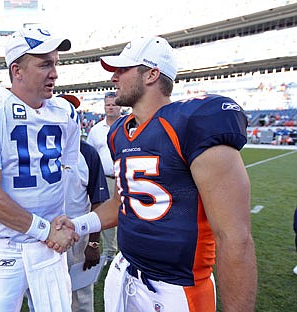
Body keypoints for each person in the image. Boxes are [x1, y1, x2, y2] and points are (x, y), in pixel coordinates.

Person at [53, 36, 257, 311]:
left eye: (123, 70)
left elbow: (235, 237)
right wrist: (78, 225)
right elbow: (121, 203)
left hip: (176, 289)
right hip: (126, 271)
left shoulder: (193, 123)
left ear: (151, 74)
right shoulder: (119, 133)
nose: (114, 78)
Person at [0, 26, 80, 312]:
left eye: (56, 63)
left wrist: (65, 225)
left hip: (51, 248)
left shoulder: (66, 113)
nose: (54, 73)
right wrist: (47, 231)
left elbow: (67, 174)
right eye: (44, 63)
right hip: (9, 249)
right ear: (17, 70)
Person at [60, 94, 110, 312]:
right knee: (48, 296)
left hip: (78, 234)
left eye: (72, 111)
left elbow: (98, 203)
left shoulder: (87, 153)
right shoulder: (35, 151)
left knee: (81, 297)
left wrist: (93, 243)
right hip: (43, 235)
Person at [86, 91, 121, 264]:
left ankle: (129, 252)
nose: (111, 107)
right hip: (105, 178)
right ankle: (109, 251)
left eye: (114, 104)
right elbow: (91, 155)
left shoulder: (128, 125)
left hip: (125, 177)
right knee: (107, 215)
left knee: (130, 214)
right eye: (108, 104)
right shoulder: (96, 130)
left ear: (120, 105)